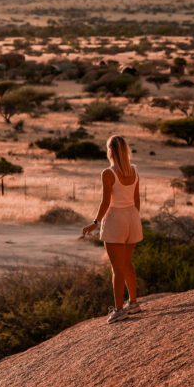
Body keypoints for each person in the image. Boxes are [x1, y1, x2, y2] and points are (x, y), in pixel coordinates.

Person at [82, 134, 143, 324]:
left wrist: (95, 222)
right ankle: (133, 303)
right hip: (132, 217)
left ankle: (118, 310)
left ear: (110, 151)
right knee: (127, 264)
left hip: (116, 219)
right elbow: (137, 199)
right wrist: (134, 217)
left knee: (116, 268)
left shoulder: (108, 173)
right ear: (125, 150)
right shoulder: (134, 170)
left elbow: (106, 202)